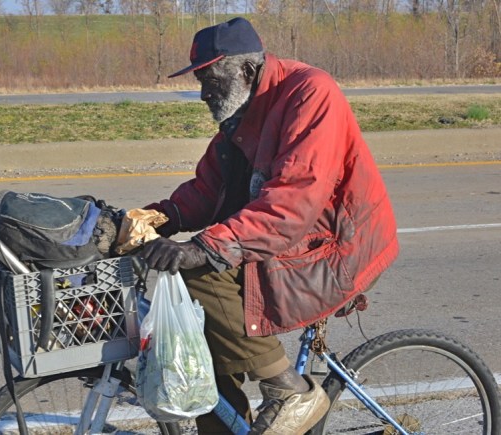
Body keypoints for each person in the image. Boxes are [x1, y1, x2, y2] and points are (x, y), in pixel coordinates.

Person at [140, 17, 399, 435]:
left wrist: (203, 248)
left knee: (200, 270)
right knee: (198, 333)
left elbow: (293, 203)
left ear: (245, 70)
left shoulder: (311, 93)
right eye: (200, 81)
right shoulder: (243, 111)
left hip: (334, 244)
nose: (203, 93)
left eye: (210, 79)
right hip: (289, 240)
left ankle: (289, 390)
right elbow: (208, 190)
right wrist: (148, 221)